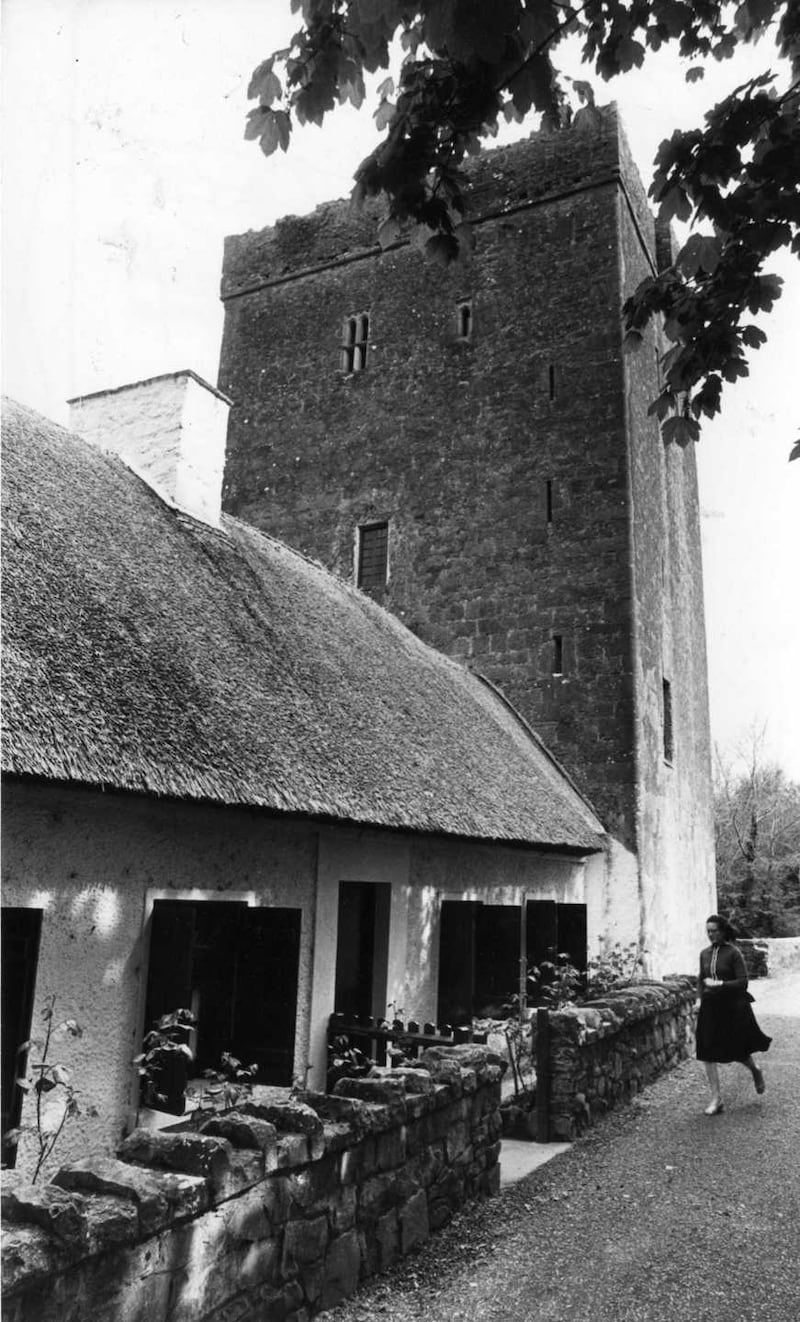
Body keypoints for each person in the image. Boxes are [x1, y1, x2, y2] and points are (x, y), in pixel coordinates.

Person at [696, 913, 772, 1115]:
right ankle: (716, 1099)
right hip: (710, 1007)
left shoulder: (733, 953)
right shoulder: (704, 954)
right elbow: (700, 979)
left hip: (731, 1007)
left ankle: (755, 1070)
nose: (711, 935)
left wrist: (720, 983)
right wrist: (698, 999)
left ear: (722, 931)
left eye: (714, 931)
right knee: (706, 1050)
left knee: (737, 1050)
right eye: (708, 931)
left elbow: (743, 982)